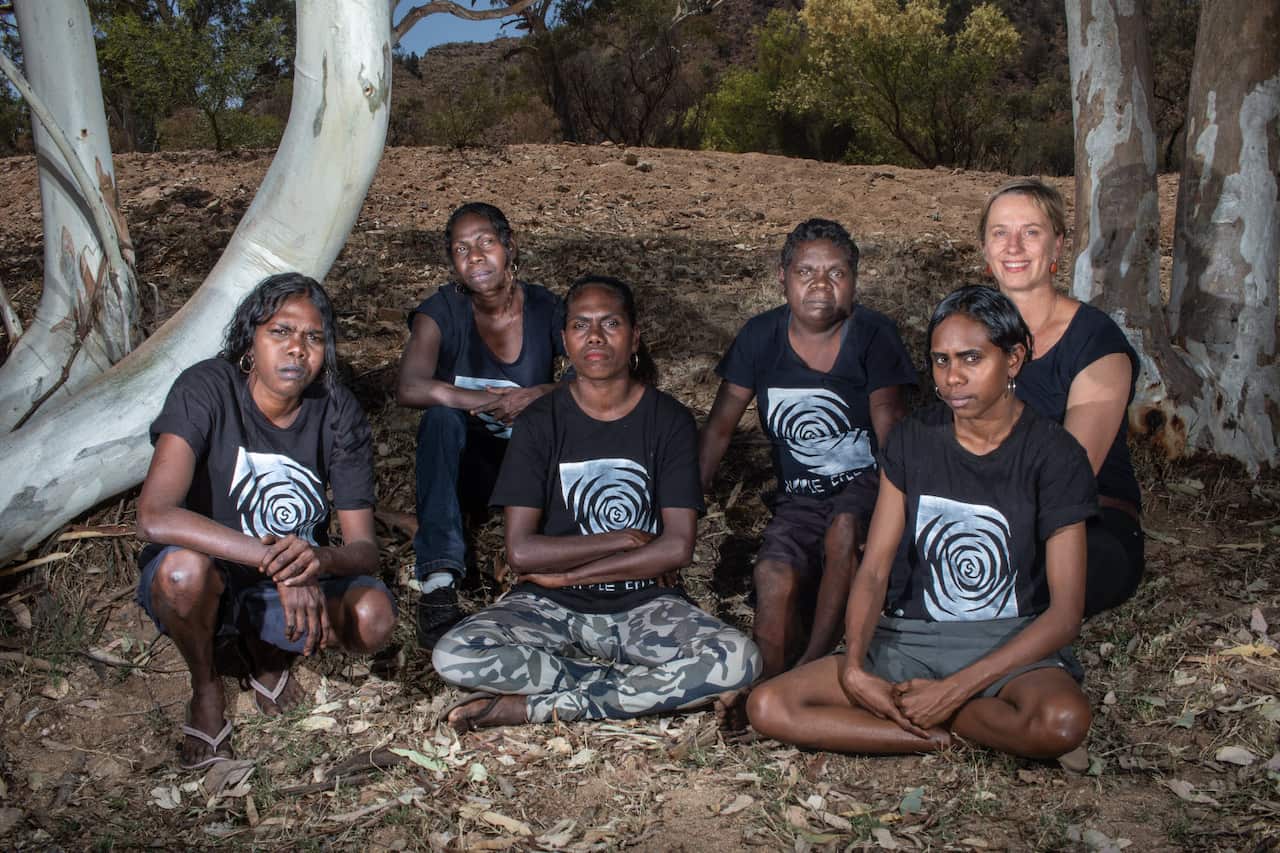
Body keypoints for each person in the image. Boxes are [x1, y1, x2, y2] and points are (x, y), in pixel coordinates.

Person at [747, 286, 1096, 759]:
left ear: (1013, 360)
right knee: (769, 705)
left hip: (1008, 641)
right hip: (907, 639)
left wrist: (954, 689)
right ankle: (931, 733)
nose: (953, 377)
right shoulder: (914, 439)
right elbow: (875, 567)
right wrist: (853, 666)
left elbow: (1065, 613)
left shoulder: (1055, 454)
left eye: (972, 359)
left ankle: (944, 709)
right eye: (941, 360)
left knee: (1061, 724)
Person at [431, 275, 761, 731]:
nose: (596, 337)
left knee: (739, 659)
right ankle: (636, 687)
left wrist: (570, 573)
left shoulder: (669, 420)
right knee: (455, 655)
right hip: (550, 608)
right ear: (565, 340)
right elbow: (523, 551)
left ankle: (539, 707)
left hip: (645, 605)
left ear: (635, 338)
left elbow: (677, 548)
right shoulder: (540, 422)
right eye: (581, 325)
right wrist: (625, 540)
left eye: (611, 323)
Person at [135, 273, 395, 770]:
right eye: (280, 332)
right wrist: (276, 562)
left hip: (286, 586)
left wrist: (318, 559)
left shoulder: (336, 409)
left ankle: (265, 652)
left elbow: (364, 550)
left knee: (373, 616)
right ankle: (206, 682)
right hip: (208, 576)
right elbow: (154, 515)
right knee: (182, 573)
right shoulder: (207, 387)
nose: (297, 348)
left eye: (313, 338)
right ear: (249, 341)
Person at [698, 219, 917, 678]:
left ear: (855, 280)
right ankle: (768, 688)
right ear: (782, 277)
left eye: (837, 273)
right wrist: (684, 504)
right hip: (798, 499)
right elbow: (720, 429)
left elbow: (890, 431)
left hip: (867, 485)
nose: (821, 285)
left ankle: (813, 667)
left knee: (842, 530)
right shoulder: (760, 338)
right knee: (772, 577)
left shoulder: (873, 335)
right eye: (806, 272)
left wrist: (900, 514)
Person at [396, 202, 565, 650]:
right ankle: (438, 583)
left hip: (533, 470)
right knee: (440, 417)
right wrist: (486, 401)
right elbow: (410, 386)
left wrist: (537, 393)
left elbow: (594, 377)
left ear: (510, 246)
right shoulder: (442, 312)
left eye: (486, 242)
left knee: (558, 421)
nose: (475, 257)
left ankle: (547, 576)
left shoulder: (547, 308)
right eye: (460, 249)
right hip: (468, 471)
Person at [979, 178, 1143, 616]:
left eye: (1031, 232)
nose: (1013, 246)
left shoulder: (1095, 340)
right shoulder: (968, 331)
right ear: (985, 249)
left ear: (1057, 247)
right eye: (1000, 232)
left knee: (1011, 577)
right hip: (986, 511)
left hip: (1086, 520)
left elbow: (1071, 475)